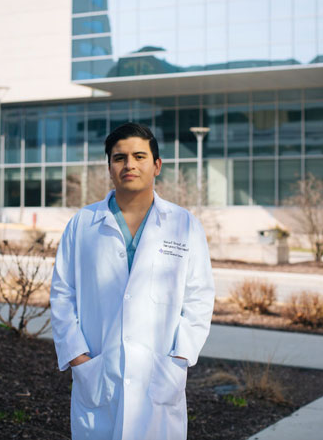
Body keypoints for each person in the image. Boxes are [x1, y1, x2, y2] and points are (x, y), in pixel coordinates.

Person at [50, 122, 215, 440]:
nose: (129, 165)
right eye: (119, 157)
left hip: (159, 373)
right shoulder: (83, 224)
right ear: (109, 167)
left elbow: (199, 297)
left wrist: (180, 357)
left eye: (139, 156)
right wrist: (77, 357)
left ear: (156, 166)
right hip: (98, 370)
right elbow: (62, 293)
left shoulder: (183, 224)